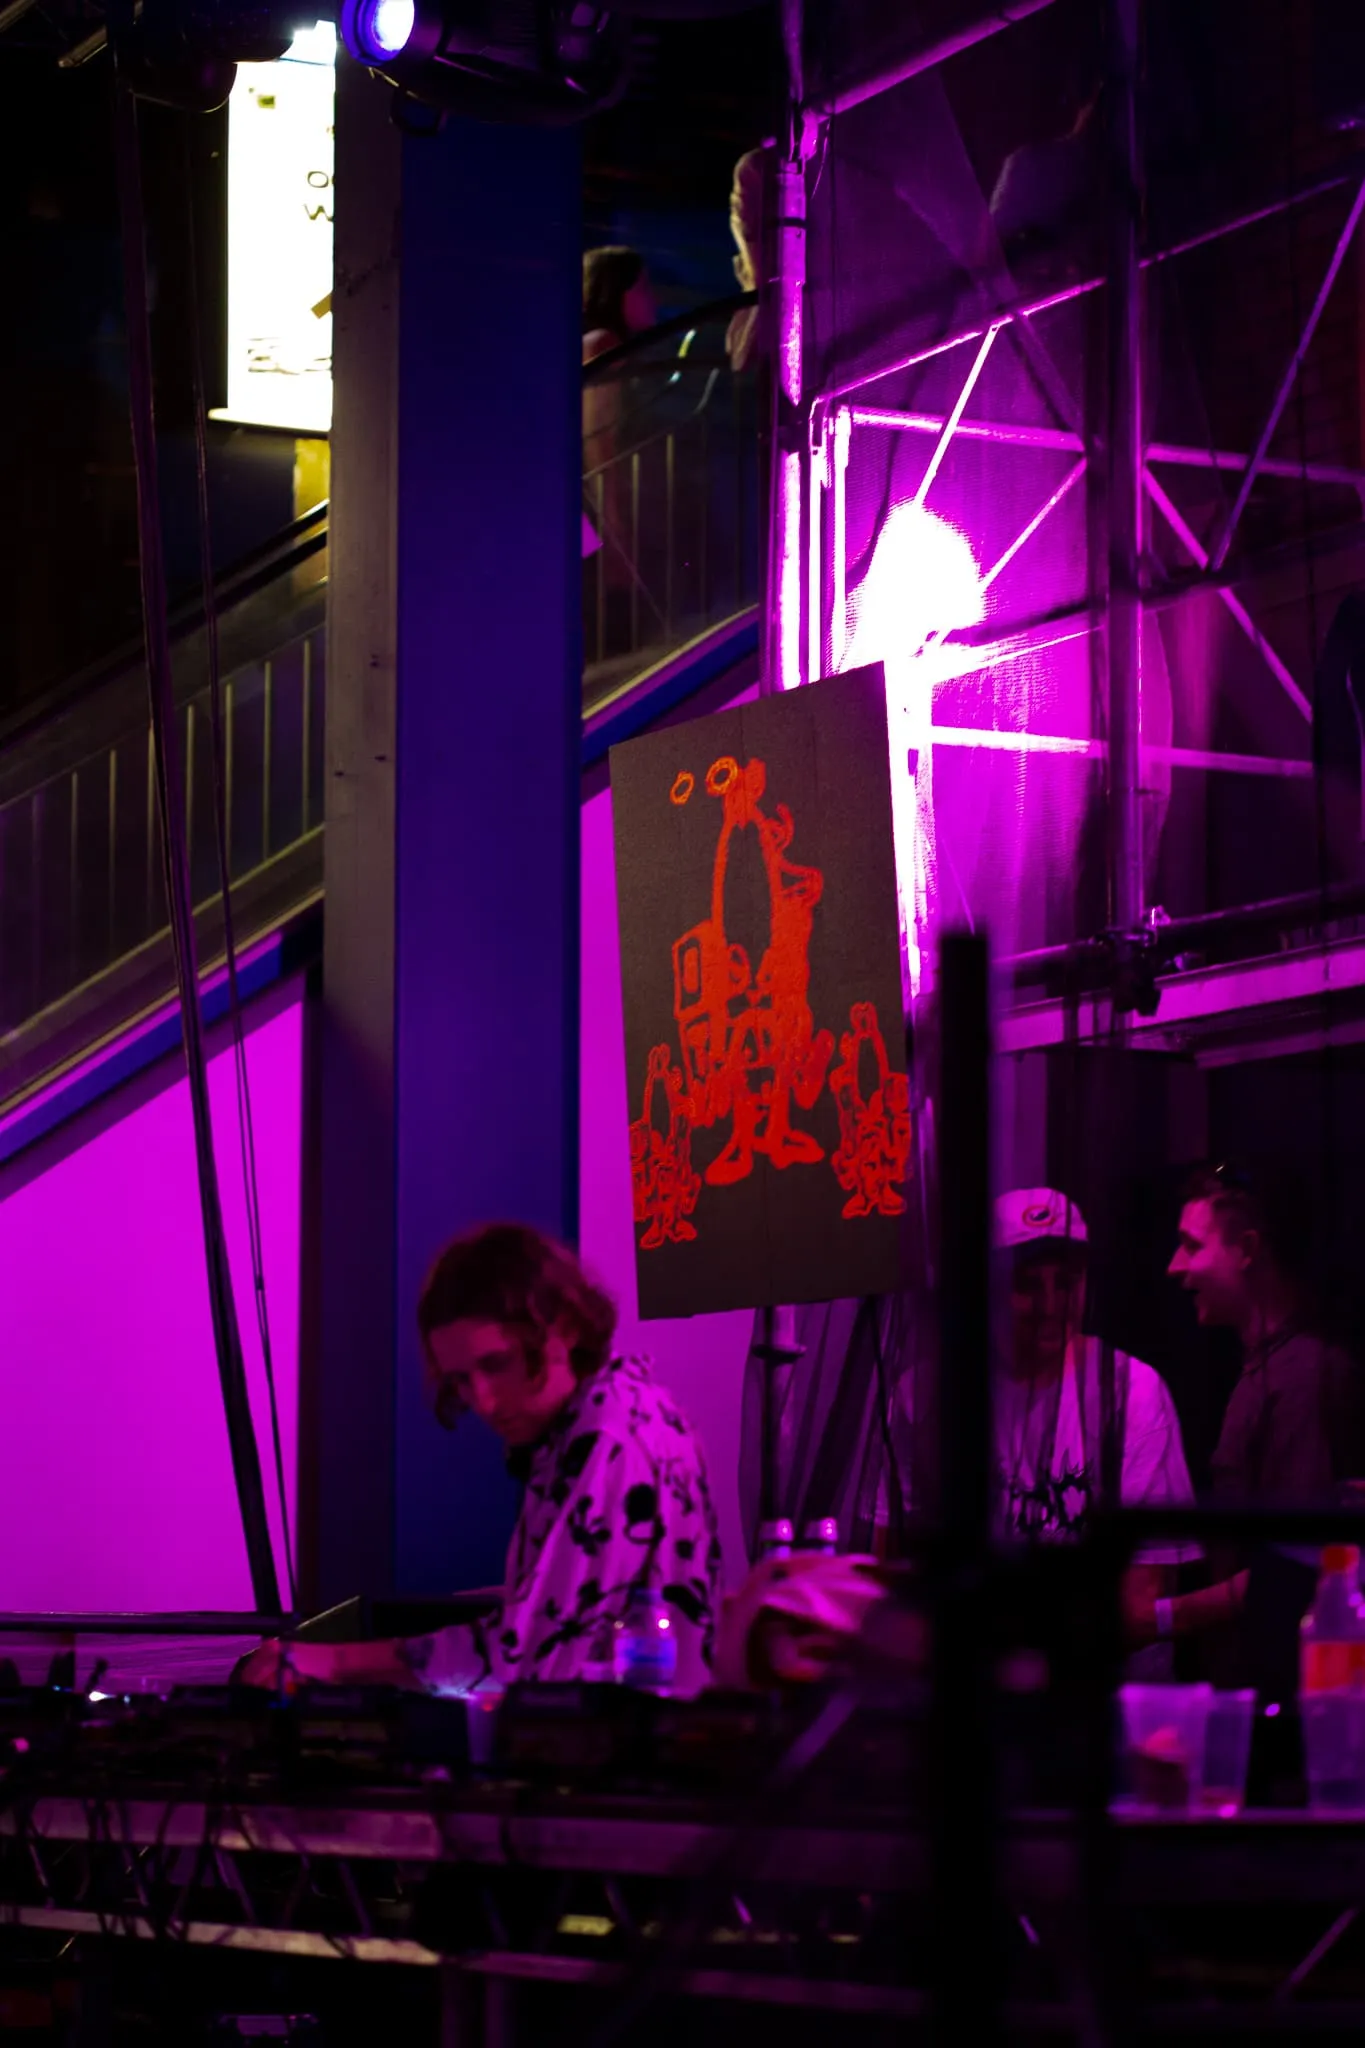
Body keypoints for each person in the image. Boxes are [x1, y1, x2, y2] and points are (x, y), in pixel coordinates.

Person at [240, 1224, 722, 1696]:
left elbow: (522, 1658)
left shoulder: (608, 1431)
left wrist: (329, 1660)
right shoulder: (624, 1408)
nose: (484, 1402)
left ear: (567, 1328)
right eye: (462, 1381)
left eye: (496, 1365)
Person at [1132, 1166, 1365, 1690]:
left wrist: (1158, 1619)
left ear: (1247, 1249)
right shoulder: (1266, 1369)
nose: (1175, 1266)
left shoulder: (1304, 1379)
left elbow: (1297, 1563)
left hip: (1288, 1696)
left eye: (1192, 1246)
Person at [995, 1188, 1197, 1664]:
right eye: (1027, 1285)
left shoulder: (1132, 1389)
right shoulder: (928, 1393)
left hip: (1113, 1704)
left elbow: (1140, 1602)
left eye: (1066, 1283)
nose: (1051, 1304)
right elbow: (892, 1569)